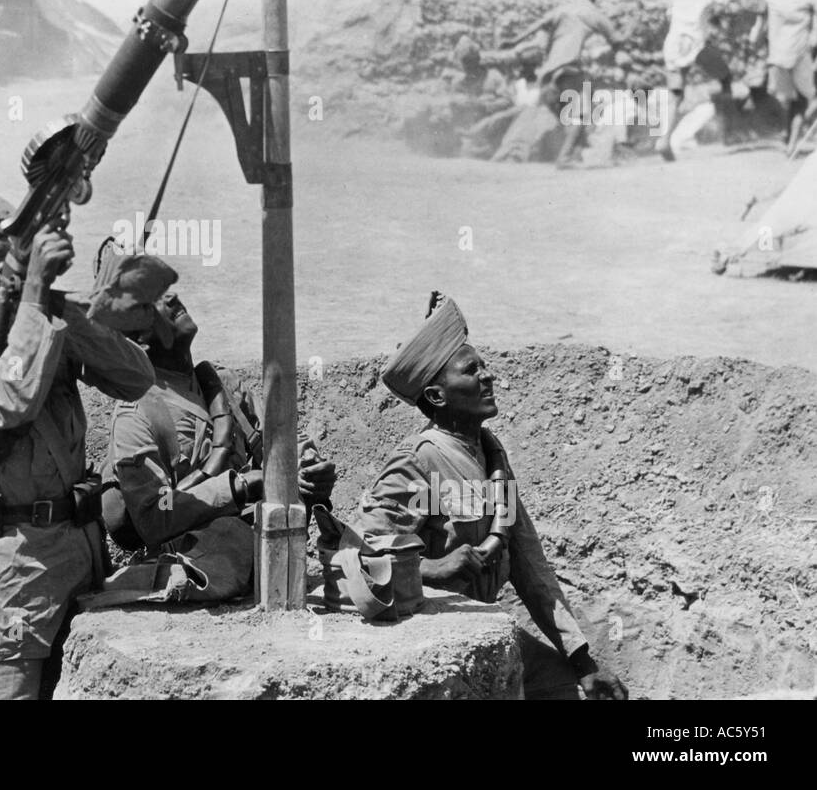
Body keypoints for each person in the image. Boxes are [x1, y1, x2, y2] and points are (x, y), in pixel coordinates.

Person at [0, 171, 156, 699]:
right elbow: (7, 398)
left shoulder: (45, 318)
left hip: (78, 563)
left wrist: (56, 306)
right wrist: (36, 294)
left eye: (7, 242)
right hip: (0, 586)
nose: (3, 254)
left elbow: (136, 377)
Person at [355, 292, 628, 701]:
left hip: (480, 625)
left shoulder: (490, 453)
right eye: (471, 370)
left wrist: (583, 662)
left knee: (561, 686)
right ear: (436, 396)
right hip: (424, 631)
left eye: (484, 366)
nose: (488, 376)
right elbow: (363, 559)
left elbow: (529, 565)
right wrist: (430, 569)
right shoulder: (420, 462)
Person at [102, 277, 336, 568]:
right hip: (196, 558)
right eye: (154, 302)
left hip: (262, 537)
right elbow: (154, 515)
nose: (172, 297)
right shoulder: (136, 416)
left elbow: (275, 444)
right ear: (139, 343)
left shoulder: (221, 384)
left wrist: (306, 466)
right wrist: (238, 487)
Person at [502, 0, 624, 167]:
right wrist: (631, 28)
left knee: (567, 117)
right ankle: (565, 157)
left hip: (548, 75)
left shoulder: (563, 9)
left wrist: (514, 40)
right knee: (584, 116)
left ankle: (571, 153)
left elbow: (538, 24)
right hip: (569, 71)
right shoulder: (592, 13)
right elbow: (617, 39)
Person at [660, 0, 738, 161]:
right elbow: (732, 5)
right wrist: (720, 23)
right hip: (696, 43)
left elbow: (670, 14)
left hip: (675, 41)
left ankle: (664, 140)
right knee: (726, 78)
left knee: (676, 94)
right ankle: (730, 132)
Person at [750, 0, 817, 156]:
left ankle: (789, 141)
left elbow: (756, 35)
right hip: (800, 55)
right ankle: (793, 139)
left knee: (792, 101)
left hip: (777, 58)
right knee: (806, 100)